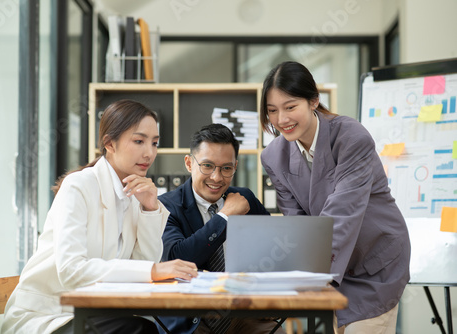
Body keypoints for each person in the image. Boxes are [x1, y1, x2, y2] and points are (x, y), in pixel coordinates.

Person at [1, 99, 198, 334]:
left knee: (147, 329)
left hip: (98, 315)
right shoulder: (79, 186)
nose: (149, 153)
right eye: (139, 141)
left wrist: (149, 210)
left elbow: (140, 270)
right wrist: (154, 270)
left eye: (154, 143)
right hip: (49, 317)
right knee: (140, 331)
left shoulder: (136, 194)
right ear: (109, 143)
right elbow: (71, 271)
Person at [259, 61, 411, 334]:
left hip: (373, 265)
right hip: (325, 269)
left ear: (314, 101)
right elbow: (297, 222)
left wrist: (313, 277)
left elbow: (342, 213)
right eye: (272, 110)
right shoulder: (273, 156)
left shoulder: (351, 137)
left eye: (290, 107)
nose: (281, 119)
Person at [157, 123, 285, 334]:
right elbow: (177, 257)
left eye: (226, 168)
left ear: (235, 167)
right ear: (189, 163)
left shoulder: (245, 198)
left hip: (243, 313)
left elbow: (277, 245)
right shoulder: (167, 206)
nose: (217, 177)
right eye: (207, 166)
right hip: (191, 319)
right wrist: (225, 216)